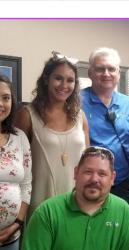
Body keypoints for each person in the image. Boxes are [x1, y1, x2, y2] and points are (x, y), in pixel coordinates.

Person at [15, 52, 89, 217]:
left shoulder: (80, 116)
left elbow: (87, 161)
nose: (64, 85)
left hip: (75, 203)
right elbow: (16, 165)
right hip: (39, 203)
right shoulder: (27, 115)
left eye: (70, 80)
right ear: (46, 79)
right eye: (58, 78)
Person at [22, 146, 129, 250]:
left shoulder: (123, 212)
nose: (94, 179)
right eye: (88, 172)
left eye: (102, 174)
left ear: (112, 178)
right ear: (76, 173)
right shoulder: (47, 213)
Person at [81, 47, 129, 204]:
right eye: (100, 69)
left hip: (123, 182)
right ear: (90, 73)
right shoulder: (77, 102)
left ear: (118, 73)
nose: (106, 73)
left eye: (111, 69)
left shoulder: (128, 104)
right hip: (91, 182)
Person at [0, 75, 32, 249]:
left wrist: (17, 222)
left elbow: (26, 185)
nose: (1, 104)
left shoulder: (19, 138)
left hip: (11, 238)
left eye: (5, 98)